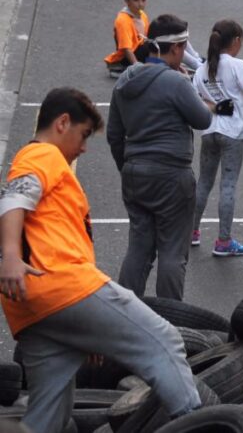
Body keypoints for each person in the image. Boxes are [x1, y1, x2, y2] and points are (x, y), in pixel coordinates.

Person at [0, 87, 201, 433]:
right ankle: (206, 426)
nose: (83, 147)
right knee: (164, 341)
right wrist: (10, 257)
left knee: (48, 417)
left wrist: (90, 332)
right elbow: (13, 200)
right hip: (62, 286)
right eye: (82, 135)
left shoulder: (42, 164)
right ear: (62, 122)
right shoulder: (42, 155)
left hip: (31, 308)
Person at [107, 14, 213, 300]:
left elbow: (113, 135)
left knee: (139, 249)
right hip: (171, 176)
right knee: (172, 252)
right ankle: (172, 322)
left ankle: (126, 318)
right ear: (176, 48)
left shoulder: (125, 81)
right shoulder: (176, 82)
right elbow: (202, 119)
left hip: (134, 173)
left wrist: (128, 167)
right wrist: (190, 85)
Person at [191, 20, 243, 256]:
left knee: (204, 182)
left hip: (210, 132)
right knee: (228, 184)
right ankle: (223, 241)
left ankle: (191, 232)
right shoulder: (237, 65)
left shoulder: (202, 70)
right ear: (236, 41)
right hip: (233, 132)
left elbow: (195, 100)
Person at [103, 0, 149, 75]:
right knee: (152, 47)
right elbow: (126, 48)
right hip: (126, 58)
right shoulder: (123, 20)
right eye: (136, 0)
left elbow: (147, 37)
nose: (140, 4)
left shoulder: (143, 15)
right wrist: (137, 67)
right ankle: (123, 68)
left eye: (143, 0)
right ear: (127, 1)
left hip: (140, 50)